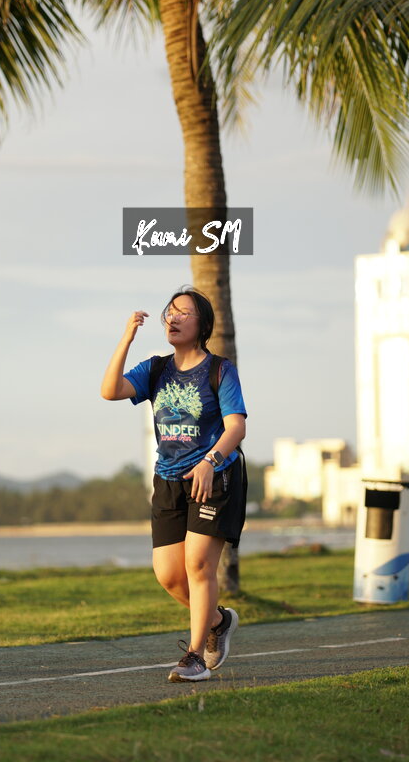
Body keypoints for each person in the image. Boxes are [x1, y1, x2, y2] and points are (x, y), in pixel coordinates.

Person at [101, 285, 247, 682]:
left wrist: (210, 461)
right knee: (169, 575)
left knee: (198, 566)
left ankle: (195, 656)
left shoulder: (219, 370)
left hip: (213, 477)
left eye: (184, 312)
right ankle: (218, 622)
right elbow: (110, 391)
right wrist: (126, 338)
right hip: (168, 480)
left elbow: (236, 426)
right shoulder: (155, 369)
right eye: (171, 312)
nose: (173, 318)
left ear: (203, 325)